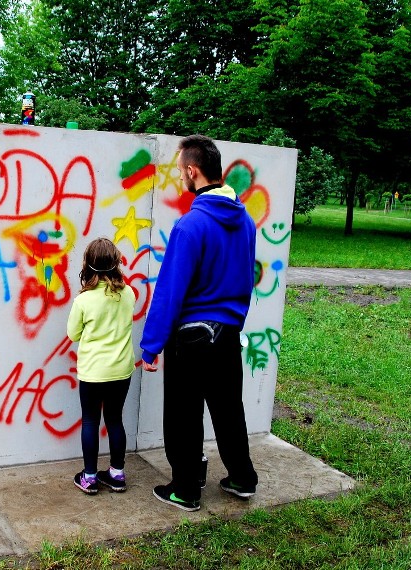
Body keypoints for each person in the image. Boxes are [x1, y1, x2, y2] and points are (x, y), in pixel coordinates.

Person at [140, 134, 258, 512]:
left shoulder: (190, 226)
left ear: (193, 171)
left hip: (191, 338)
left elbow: (170, 291)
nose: (180, 178)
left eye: (180, 172)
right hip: (228, 335)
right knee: (228, 410)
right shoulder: (247, 223)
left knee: (183, 414)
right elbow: (243, 279)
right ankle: (242, 478)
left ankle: (186, 489)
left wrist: (151, 344)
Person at [66, 237, 137, 495]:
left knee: (90, 421)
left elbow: (73, 334)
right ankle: (117, 474)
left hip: (94, 372)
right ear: (116, 262)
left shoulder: (84, 301)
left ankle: (90, 477)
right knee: (115, 420)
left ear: (88, 265)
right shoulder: (128, 293)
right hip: (121, 369)